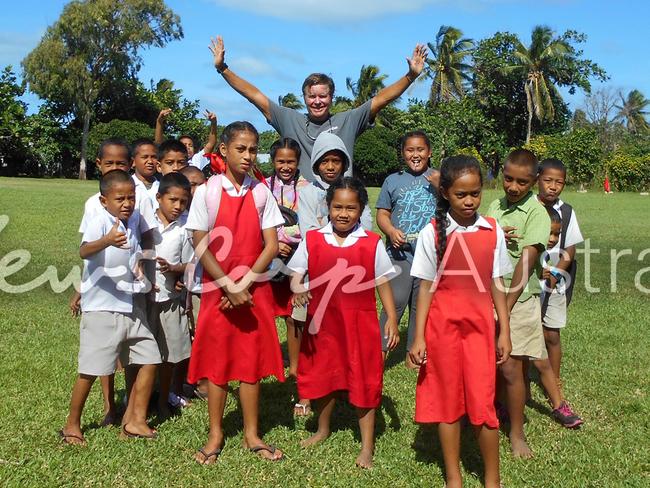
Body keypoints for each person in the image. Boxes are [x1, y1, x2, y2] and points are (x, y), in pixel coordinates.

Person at [185, 121, 286, 464]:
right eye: (240, 149)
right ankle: (215, 433)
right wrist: (228, 285)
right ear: (223, 151)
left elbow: (271, 245)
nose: (247, 155)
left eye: (253, 150)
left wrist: (243, 285)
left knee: (250, 363)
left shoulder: (260, 192)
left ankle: (252, 434)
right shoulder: (208, 191)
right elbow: (199, 242)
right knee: (218, 362)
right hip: (218, 288)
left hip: (252, 289)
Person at [409, 155, 512, 488]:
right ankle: (453, 476)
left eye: (476, 193)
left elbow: (497, 283)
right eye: (461, 195)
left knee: (483, 402)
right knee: (448, 402)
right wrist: (419, 337)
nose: (469, 201)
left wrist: (505, 332)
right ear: (445, 194)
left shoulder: (492, 231)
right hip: (442, 331)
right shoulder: (432, 233)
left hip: (481, 330)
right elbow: (424, 288)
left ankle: (491, 479)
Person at [287, 177, 399, 469]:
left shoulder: (371, 242)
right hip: (322, 325)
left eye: (351, 208)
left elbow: (383, 281)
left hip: (359, 326)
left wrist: (392, 318)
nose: (344, 213)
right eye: (338, 207)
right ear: (328, 207)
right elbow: (296, 273)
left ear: (361, 210)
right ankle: (323, 429)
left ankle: (366, 446)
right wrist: (298, 287)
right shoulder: (313, 238)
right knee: (325, 375)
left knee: (364, 379)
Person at [209, 35, 428, 182]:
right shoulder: (289, 119)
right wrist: (223, 69)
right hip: (303, 205)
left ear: (331, 98)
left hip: (342, 201)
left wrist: (411, 76)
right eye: (311, 96)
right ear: (304, 98)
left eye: (323, 96)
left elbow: (380, 99)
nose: (317, 101)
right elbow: (254, 95)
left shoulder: (348, 120)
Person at [59, 170, 161, 445]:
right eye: (120, 199)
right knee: (91, 369)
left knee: (150, 357)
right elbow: (84, 252)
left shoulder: (134, 219)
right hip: (102, 308)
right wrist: (106, 240)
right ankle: (72, 424)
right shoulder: (99, 218)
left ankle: (135, 420)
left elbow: (133, 255)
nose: (127, 203)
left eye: (131, 197)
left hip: (130, 304)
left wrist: (143, 278)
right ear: (105, 201)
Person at [486, 149, 550, 459]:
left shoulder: (537, 213)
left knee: (512, 368)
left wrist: (504, 309)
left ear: (534, 182)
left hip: (519, 301)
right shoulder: (494, 207)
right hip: (489, 297)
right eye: (508, 179)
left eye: (522, 182)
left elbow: (526, 265)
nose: (513, 187)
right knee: (494, 365)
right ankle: (495, 412)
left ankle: (517, 432)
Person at [375, 131, 438, 361]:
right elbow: (383, 213)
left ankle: (415, 354)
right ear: (403, 153)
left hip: (430, 257)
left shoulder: (438, 178)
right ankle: (379, 351)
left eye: (420, 149)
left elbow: (457, 204)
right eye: (410, 150)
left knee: (420, 306)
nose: (415, 154)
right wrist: (390, 231)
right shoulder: (393, 180)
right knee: (397, 299)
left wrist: (442, 185)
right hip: (399, 254)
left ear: (429, 152)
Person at [264, 138, 312, 416]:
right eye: (280, 161)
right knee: (264, 313)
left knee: (296, 316)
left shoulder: (306, 189)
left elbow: (310, 224)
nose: (285, 166)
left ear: (298, 162)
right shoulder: (262, 188)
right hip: (270, 259)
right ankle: (267, 363)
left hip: (299, 262)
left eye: (290, 162)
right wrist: (273, 243)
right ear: (273, 161)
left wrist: (288, 240)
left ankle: (295, 366)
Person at [528, 208, 583, 428]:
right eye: (548, 233)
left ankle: (558, 403)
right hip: (518, 311)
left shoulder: (552, 258)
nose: (552, 239)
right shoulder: (527, 252)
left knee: (540, 356)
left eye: (556, 235)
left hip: (534, 313)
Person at [536, 158, 584, 400]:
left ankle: (554, 379)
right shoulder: (529, 207)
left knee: (551, 334)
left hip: (556, 282)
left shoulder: (566, 211)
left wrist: (556, 274)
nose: (553, 187)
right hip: (530, 280)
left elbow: (570, 250)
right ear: (537, 180)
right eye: (548, 181)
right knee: (528, 330)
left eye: (559, 182)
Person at [149, 172, 194, 420]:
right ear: (159, 198)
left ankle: (165, 398)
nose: (177, 206)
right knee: (141, 354)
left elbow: (191, 262)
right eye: (172, 200)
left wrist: (176, 270)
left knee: (169, 355)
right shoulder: (145, 223)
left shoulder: (186, 227)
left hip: (170, 300)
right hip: (145, 300)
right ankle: (138, 398)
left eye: (183, 202)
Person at [298, 132, 372, 233]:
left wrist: (323, 222)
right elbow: (308, 232)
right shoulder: (307, 193)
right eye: (324, 161)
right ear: (316, 163)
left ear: (344, 163)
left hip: (353, 246)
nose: (330, 167)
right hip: (318, 247)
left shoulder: (355, 190)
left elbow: (366, 226)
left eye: (336, 161)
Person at [131, 138, 160, 202]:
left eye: (153, 157)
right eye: (145, 157)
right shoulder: (127, 186)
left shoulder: (162, 187)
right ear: (133, 162)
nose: (150, 161)